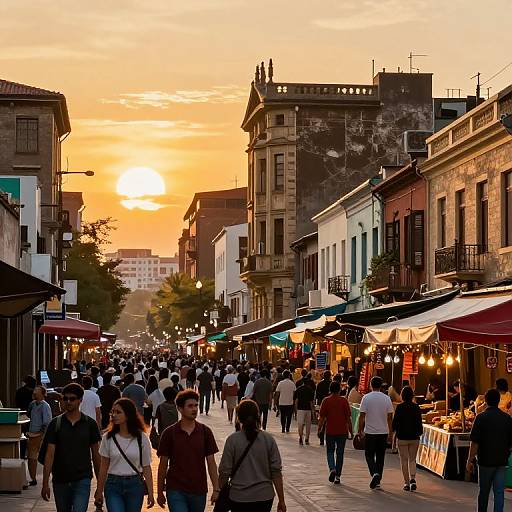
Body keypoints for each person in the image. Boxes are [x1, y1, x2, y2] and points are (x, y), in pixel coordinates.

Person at [41, 383, 102, 512]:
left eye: (72, 399)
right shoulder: (55, 424)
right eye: (65, 398)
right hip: (60, 479)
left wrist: (100, 486)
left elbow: (96, 455)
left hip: (82, 479)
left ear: (80, 400)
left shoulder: (90, 424)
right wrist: (45, 482)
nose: (68, 402)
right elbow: (49, 454)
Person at [157, 389, 219, 512]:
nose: (194, 409)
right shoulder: (169, 433)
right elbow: (163, 464)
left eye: (196, 405)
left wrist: (216, 488)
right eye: (190, 406)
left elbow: (211, 462)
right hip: (175, 489)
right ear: (180, 409)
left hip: (199, 489)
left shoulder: (205, 432)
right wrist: (159, 491)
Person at [218, 400, 286, 512]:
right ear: (258, 416)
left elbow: (224, 470)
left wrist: (221, 489)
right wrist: (281, 500)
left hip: (239, 497)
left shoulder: (233, 440)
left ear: (239, 418)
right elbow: (276, 472)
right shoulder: (268, 439)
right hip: (264, 496)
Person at [95, 398, 155, 511]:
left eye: (118, 412)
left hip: (135, 484)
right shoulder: (107, 438)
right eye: (113, 412)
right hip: (113, 484)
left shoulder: (141, 438)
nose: (114, 415)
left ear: (128, 414)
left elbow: (146, 467)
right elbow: (103, 467)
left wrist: (151, 493)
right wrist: (99, 490)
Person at [467, 388, 512, 512]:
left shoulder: (480, 418)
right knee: (499, 492)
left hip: (485, 461)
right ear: (498, 401)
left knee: (484, 491)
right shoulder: (507, 418)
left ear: (485, 401)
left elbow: (475, 442)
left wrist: (470, 460)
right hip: (501, 461)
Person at [358, 376, 394, 489]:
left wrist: (359, 430)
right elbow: (390, 417)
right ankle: (378, 479)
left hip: (370, 431)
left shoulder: (366, 398)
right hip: (383, 432)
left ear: (371, 385)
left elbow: (361, 416)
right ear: (381, 385)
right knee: (380, 456)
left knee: (369, 454)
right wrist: (390, 433)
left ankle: (374, 473)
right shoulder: (386, 398)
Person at [318, 381, 352, 484]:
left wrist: (319, 429)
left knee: (330, 451)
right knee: (340, 453)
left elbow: (322, 417)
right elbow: (348, 418)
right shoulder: (344, 401)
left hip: (330, 431)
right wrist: (351, 431)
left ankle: (332, 468)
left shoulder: (326, 401)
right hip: (342, 431)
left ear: (330, 389)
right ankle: (338, 476)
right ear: (339, 389)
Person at [392, 386, 423, 491]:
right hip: (414, 437)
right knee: (412, 459)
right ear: (412, 396)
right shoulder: (416, 407)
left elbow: (395, 423)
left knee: (404, 460)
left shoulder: (400, 407)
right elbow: (419, 422)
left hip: (402, 437)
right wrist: (419, 432)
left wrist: (394, 431)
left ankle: (406, 483)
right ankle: (413, 478)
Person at [26, 385, 52, 485]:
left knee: (34, 456)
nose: (34, 392)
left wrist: (41, 434)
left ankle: (34, 478)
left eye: (36, 391)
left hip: (38, 434)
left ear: (42, 393)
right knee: (30, 457)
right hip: (31, 433)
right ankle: (32, 477)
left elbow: (46, 422)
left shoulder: (45, 406)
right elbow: (29, 415)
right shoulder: (32, 404)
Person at [294, 374, 315, 445]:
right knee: (308, 425)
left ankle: (300, 437)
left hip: (300, 409)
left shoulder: (298, 389)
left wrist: (296, 410)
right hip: (308, 410)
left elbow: (296, 401)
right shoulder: (310, 390)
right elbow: (311, 402)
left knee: (300, 424)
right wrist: (313, 412)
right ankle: (307, 438)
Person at [315, 371, 332, 446]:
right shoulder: (332, 383)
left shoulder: (320, 384)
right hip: (331, 405)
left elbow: (317, 396)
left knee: (322, 421)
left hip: (322, 404)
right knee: (330, 423)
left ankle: (321, 437)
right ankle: (329, 439)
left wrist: (318, 406)